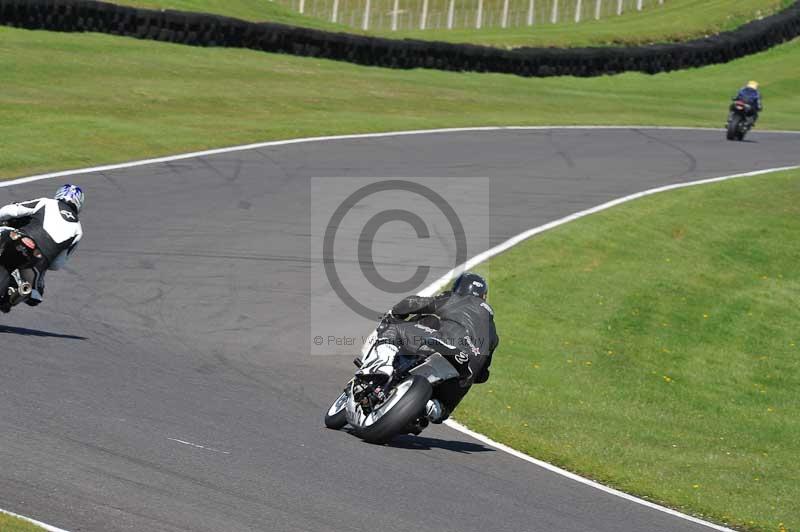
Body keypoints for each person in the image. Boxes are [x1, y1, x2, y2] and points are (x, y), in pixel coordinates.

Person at [367, 272, 499, 425]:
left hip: (445, 346)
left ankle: (384, 367)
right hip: (462, 375)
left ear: (458, 288)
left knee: (394, 328)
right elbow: (483, 375)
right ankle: (431, 407)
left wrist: (394, 313)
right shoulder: (493, 333)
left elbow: (412, 303)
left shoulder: (456, 299)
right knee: (442, 410)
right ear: (484, 296)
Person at [0, 184, 84, 312]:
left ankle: (14, 291)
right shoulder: (78, 230)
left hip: (19, 238)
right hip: (38, 261)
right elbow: (57, 264)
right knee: (35, 296)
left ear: (59, 194)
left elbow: (12, 210)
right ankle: (14, 294)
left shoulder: (47, 202)